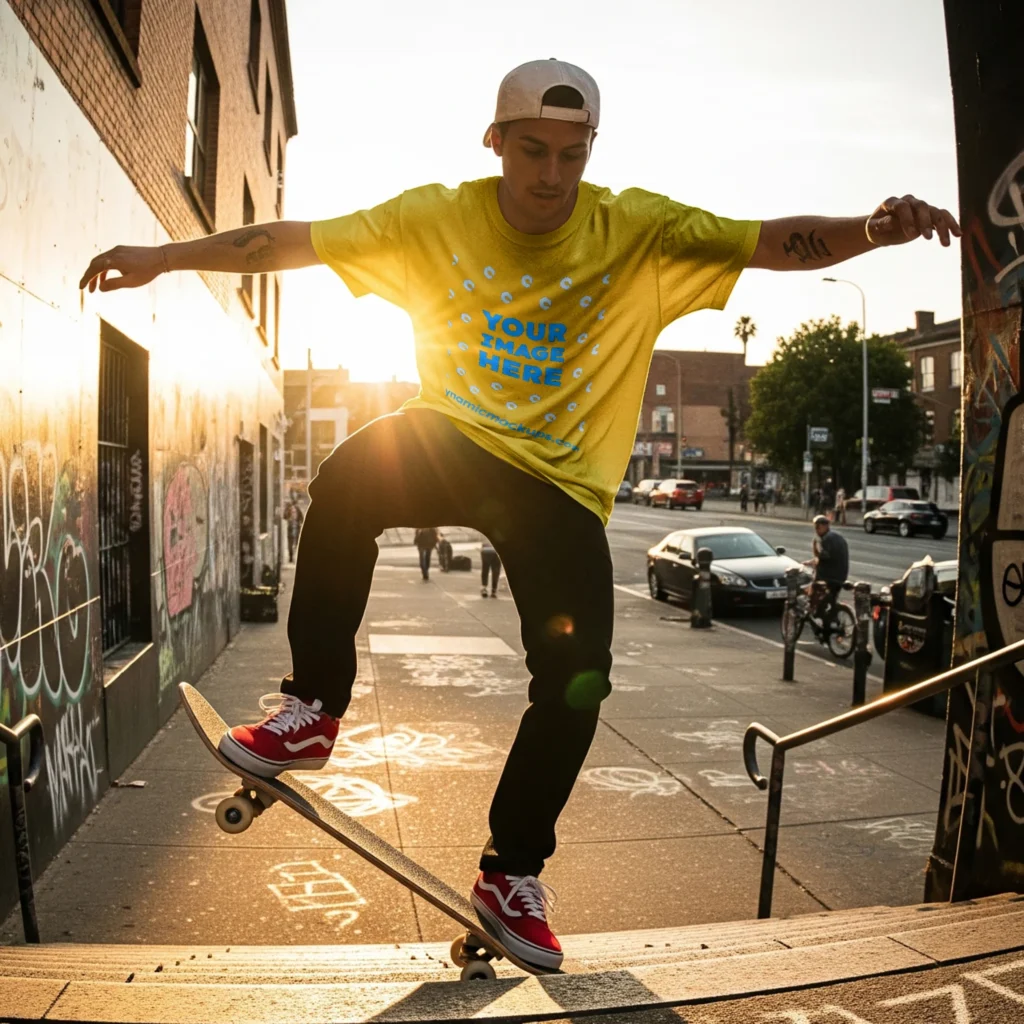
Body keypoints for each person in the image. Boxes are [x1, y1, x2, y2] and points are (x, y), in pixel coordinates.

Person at [79, 55, 959, 971]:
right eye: (532, 151)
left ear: (592, 151)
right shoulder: (433, 218)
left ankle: (511, 875)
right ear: (495, 142)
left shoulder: (640, 230)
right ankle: (313, 710)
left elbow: (772, 242)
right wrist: (166, 258)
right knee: (347, 480)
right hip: (454, 437)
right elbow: (288, 242)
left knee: (580, 677)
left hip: (562, 486)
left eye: (572, 156)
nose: (551, 177)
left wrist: (871, 231)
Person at [810, 513, 849, 631]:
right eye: (816, 527)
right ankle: (832, 618)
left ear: (825, 526)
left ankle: (819, 618)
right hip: (841, 575)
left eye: (818, 527)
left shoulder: (826, 539)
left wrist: (816, 552)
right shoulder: (838, 537)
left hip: (829, 576)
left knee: (816, 591)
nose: (817, 530)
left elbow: (825, 556)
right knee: (832, 599)